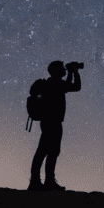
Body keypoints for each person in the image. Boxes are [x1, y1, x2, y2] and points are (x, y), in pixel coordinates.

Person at [28, 60, 81, 191]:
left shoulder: (53, 83)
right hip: (53, 123)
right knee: (47, 151)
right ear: (57, 71)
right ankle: (44, 182)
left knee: (47, 151)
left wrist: (70, 72)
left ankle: (40, 181)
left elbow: (68, 86)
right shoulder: (55, 83)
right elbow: (76, 87)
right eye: (62, 68)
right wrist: (74, 73)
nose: (64, 70)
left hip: (48, 122)